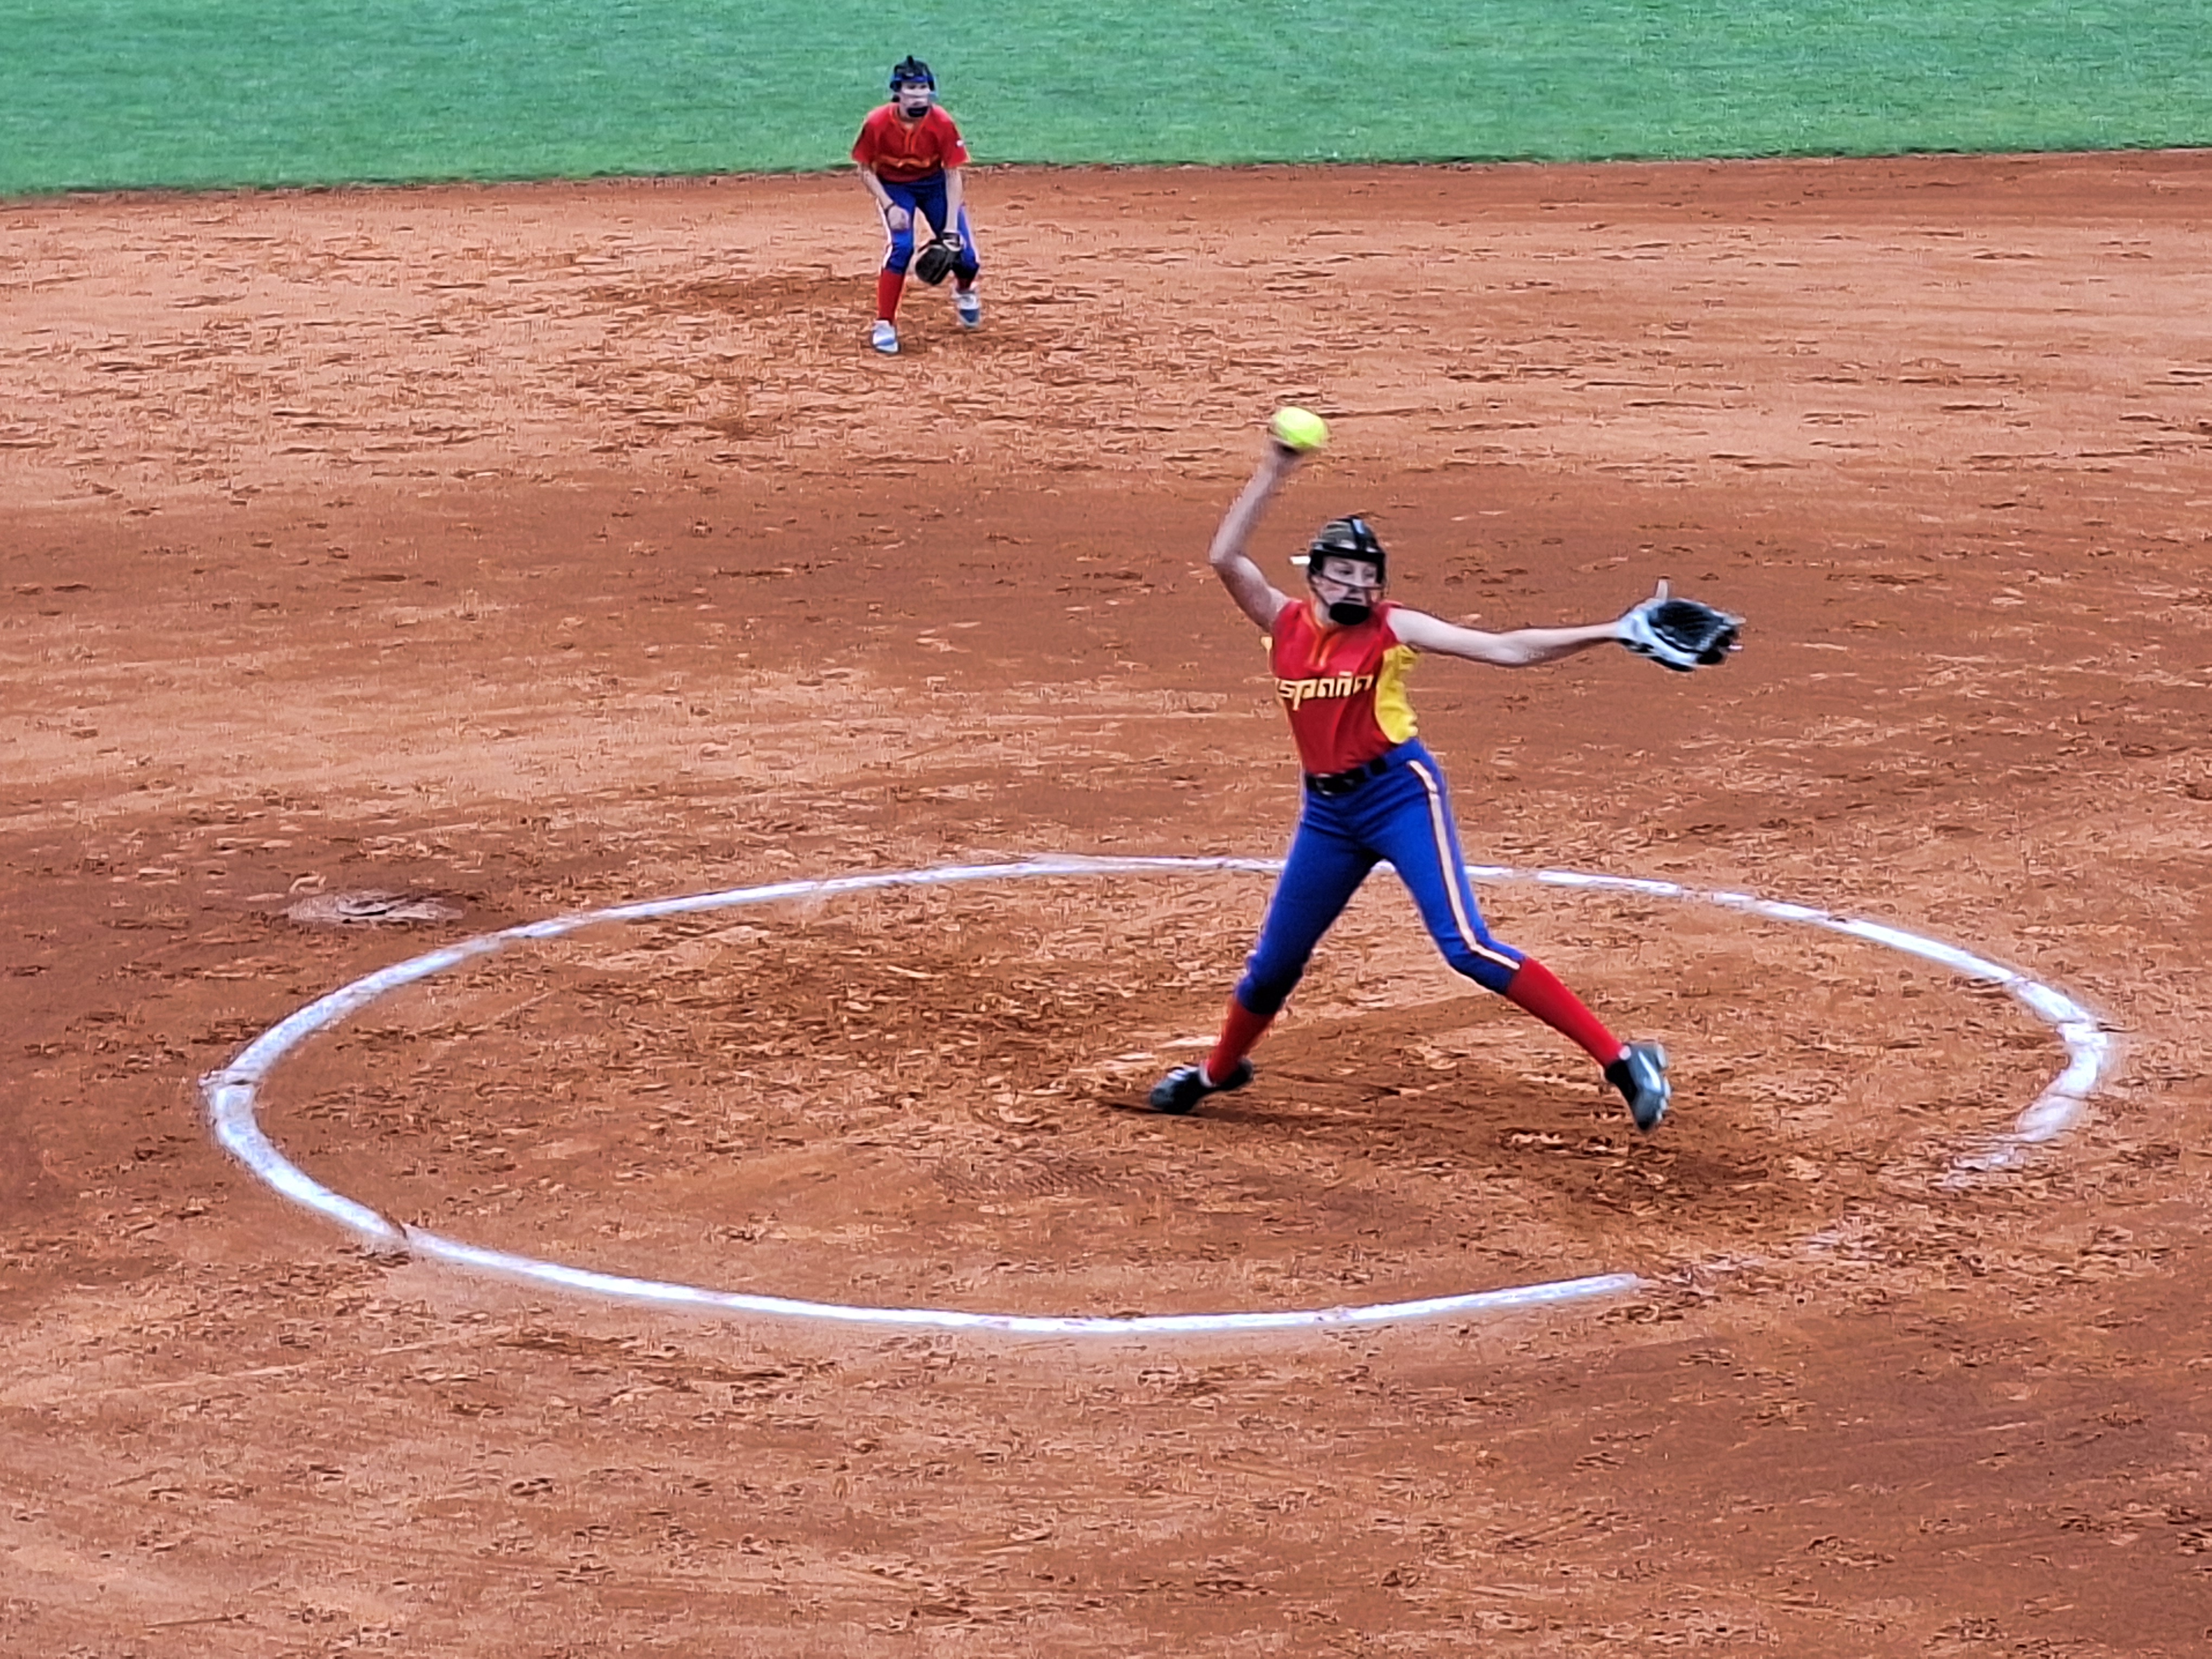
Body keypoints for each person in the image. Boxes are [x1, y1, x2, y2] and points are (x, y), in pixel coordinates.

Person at [1147, 435, 1674, 1131]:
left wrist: (1610, 630)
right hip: (1327, 815)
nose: (1355, 586)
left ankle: (1623, 1061)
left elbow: (1506, 649)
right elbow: (1225, 558)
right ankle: (1217, 1073)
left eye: (1367, 576)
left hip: (1399, 795)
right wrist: (1275, 470)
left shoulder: (1395, 629)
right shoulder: (1284, 623)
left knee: (1466, 944)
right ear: (1316, 577)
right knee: (1273, 966)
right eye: (1341, 573)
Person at [850, 56, 982, 356]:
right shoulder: (877, 123)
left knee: (966, 256)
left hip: (934, 186)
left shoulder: (942, 124)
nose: (919, 94)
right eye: (911, 88)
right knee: (902, 247)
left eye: (923, 88)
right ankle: (885, 324)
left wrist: (949, 227)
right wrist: (889, 205)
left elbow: (953, 175)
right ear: (898, 91)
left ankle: (964, 291)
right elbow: (865, 169)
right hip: (896, 188)